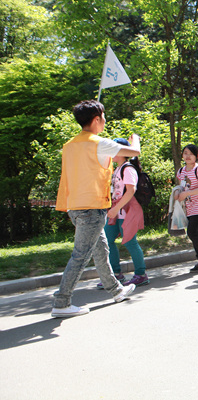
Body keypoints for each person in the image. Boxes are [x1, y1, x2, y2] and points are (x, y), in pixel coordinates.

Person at [51, 100, 138, 318]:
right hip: (92, 207)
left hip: (75, 205)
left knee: (101, 249)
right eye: (104, 116)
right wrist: (135, 138)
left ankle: (116, 290)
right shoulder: (100, 143)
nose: (105, 120)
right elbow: (134, 151)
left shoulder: (70, 145)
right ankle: (62, 302)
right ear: (96, 119)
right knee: (80, 256)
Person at [101, 137, 148, 289]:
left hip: (125, 212)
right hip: (116, 212)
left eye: (114, 149)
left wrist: (115, 209)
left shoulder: (128, 168)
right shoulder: (118, 169)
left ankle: (141, 274)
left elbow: (131, 190)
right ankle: (115, 274)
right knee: (107, 240)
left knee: (129, 241)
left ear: (122, 151)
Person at [175, 144, 198, 273]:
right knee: (195, 232)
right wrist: (177, 194)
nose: (188, 156)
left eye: (191, 153)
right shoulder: (181, 171)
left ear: (197, 156)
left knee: (191, 232)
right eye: (185, 153)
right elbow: (182, 187)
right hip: (189, 206)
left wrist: (186, 194)